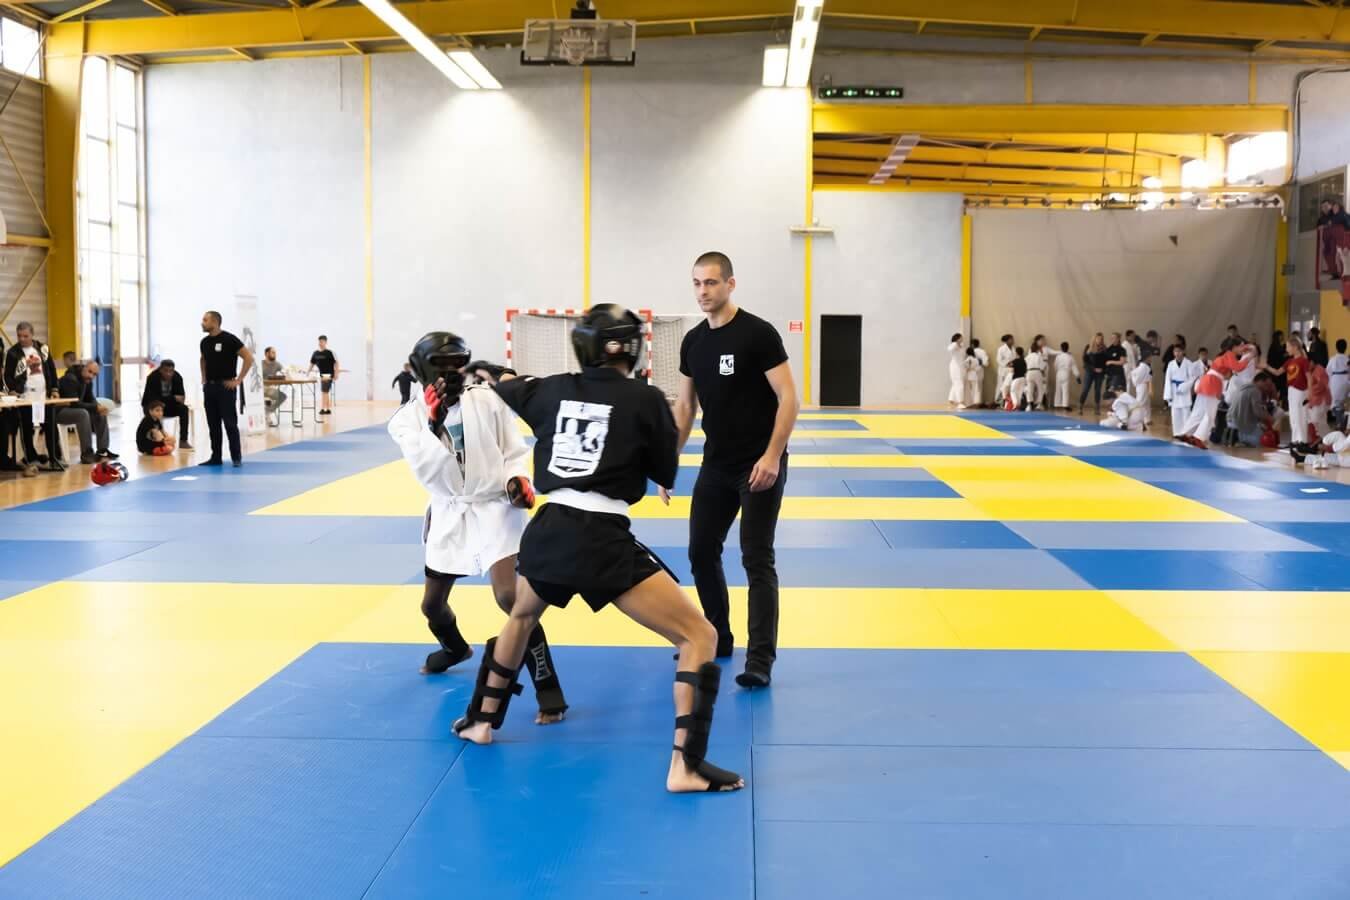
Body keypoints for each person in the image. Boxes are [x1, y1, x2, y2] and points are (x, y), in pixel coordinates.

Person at [454, 304, 744, 794]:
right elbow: (664, 471)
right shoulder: (646, 398)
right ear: (632, 348)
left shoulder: (548, 388)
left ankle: (481, 722)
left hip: (546, 532)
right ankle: (687, 767)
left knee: (522, 616)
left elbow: (502, 380)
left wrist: (475, 370)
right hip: (602, 538)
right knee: (700, 636)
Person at [388, 331, 567, 722]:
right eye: (442, 366)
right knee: (431, 605)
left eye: (457, 365)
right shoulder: (406, 419)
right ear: (422, 369)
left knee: (510, 598)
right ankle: (456, 649)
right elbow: (426, 470)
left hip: (494, 508)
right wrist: (434, 423)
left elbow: (514, 452)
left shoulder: (488, 400)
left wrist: (516, 480)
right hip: (451, 512)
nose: (451, 374)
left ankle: (547, 685)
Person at [670, 251, 799, 690]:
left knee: (756, 558)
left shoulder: (758, 334)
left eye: (711, 283)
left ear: (730, 284)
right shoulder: (693, 342)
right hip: (716, 465)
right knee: (700, 551)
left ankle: (760, 658)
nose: (703, 292)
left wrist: (772, 457)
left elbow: (789, 399)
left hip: (758, 464)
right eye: (697, 284)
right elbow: (686, 406)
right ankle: (718, 636)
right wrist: (669, 461)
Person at [199, 310, 254, 468]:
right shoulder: (204, 342)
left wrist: (238, 380)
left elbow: (248, 358)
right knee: (213, 424)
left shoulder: (229, 339)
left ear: (215, 322)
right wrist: (203, 378)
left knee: (230, 424)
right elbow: (203, 360)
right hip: (210, 387)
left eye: (205, 320)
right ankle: (215, 456)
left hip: (226, 387)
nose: (202, 323)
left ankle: (236, 457)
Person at [1176, 343, 1255, 449]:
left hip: (1206, 381)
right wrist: (1249, 357)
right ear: (1234, 347)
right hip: (1213, 383)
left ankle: (1185, 433)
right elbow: (1238, 367)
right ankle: (1199, 437)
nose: (1242, 350)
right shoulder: (1229, 354)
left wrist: (1246, 349)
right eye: (1240, 347)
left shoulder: (1224, 357)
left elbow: (1232, 370)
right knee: (1210, 413)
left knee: (1198, 412)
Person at [4, 322, 59, 465]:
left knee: (49, 426)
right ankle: (31, 457)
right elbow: (8, 375)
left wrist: (54, 389)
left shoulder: (43, 349)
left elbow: (52, 370)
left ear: (32, 334)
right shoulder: (12, 353)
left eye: (25, 336)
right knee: (27, 428)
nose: (22, 339)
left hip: (43, 395)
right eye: (19, 336)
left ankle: (55, 457)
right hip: (25, 396)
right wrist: (13, 389)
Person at [57, 360, 114, 463]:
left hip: (74, 410)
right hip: (59, 412)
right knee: (83, 414)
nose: (91, 376)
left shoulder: (87, 381)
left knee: (100, 413)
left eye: (95, 374)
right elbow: (74, 404)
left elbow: (90, 399)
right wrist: (95, 407)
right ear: (84, 368)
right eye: (90, 372)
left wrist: (99, 407)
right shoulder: (70, 379)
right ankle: (87, 453)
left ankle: (102, 450)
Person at [140, 359, 192, 449]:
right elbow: (153, 399)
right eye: (166, 371)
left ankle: (183, 441)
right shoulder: (153, 378)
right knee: (155, 410)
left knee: (184, 409)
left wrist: (169, 400)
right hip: (152, 406)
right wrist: (173, 398)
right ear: (160, 370)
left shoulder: (177, 377)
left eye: (171, 371)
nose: (168, 374)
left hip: (168, 407)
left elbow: (181, 398)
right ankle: (153, 441)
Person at [1229, 373, 1279, 448]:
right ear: (1260, 381)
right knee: (1263, 441)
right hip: (1240, 424)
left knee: (1261, 429)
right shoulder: (1255, 391)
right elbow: (1258, 411)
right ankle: (1240, 438)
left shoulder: (1243, 387)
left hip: (1231, 421)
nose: (1267, 388)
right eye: (1266, 385)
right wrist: (1270, 418)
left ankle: (1240, 437)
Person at [1163, 345, 1199, 437]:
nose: (1177, 353)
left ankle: (1186, 432)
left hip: (1184, 390)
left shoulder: (1188, 363)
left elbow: (1193, 377)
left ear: (1183, 352)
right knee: (1175, 412)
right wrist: (1168, 394)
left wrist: (1184, 386)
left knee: (1186, 411)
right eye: (1175, 351)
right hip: (1174, 390)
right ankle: (1177, 432)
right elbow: (1167, 379)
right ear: (1173, 353)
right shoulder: (1171, 364)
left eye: (1179, 351)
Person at [1284, 337, 1313, 448]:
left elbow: (1309, 377)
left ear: (1295, 347)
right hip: (1291, 390)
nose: (1287, 349)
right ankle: (1295, 439)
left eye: (1288, 347)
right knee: (1293, 415)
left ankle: (1302, 440)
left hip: (1300, 391)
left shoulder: (1303, 361)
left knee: (1300, 414)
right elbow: (1277, 372)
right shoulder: (1289, 361)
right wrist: (1265, 366)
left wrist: (1310, 393)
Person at [308, 335, 338, 415]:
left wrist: (336, 374)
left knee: (324, 391)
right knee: (325, 392)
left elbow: (336, 363)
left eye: (322, 342)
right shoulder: (315, 353)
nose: (320, 343)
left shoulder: (330, 353)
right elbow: (312, 363)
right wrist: (308, 372)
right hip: (321, 375)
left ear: (326, 342)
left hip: (328, 374)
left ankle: (323, 409)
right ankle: (327, 409)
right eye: (319, 341)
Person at [1080, 334, 1108, 415]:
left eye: (1101, 339)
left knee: (1098, 390)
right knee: (1085, 389)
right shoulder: (1088, 347)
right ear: (1094, 339)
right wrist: (1093, 369)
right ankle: (1081, 406)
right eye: (1098, 339)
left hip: (1100, 372)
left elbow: (1106, 361)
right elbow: (1085, 361)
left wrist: (1103, 369)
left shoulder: (1104, 349)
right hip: (1090, 371)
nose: (1099, 340)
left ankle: (1097, 408)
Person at [1053, 341, 1080, 409]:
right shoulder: (1070, 357)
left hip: (1059, 373)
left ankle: (1057, 404)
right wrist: (1077, 376)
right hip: (1066, 373)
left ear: (1061, 348)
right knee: (1065, 390)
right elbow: (1074, 367)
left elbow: (1055, 365)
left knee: (1058, 390)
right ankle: (1065, 405)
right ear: (1068, 348)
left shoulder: (1058, 356)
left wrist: (1057, 371)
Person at [1025, 338, 1046, 410]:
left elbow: (1025, 365)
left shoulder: (1027, 356)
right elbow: (1042, 366)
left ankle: (1029, 405)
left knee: (1029, 389)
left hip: (1029, 372)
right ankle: (1039, 404)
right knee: (1040, 388)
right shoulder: (1038, 356)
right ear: (1038, 349)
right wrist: (1043, 374)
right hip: (1037, 372)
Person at [966, 339, 988, 408]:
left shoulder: (970, 354)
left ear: (972, 345)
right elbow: (986, 363)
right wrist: (979, 363)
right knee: (978, 388)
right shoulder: (982, 351)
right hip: (978, 371)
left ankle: (973, 403)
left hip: (972, 372)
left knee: (972, 389)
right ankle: (977, 403)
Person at [946, 333, 966, 409]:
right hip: (955, 367)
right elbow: (949, 349)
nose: (962, 339)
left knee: (955, 384)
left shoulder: (962, 346)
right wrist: (955, 344)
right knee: (959, 384)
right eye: (961, 337)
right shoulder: (954, 345)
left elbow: (962, 357)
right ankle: (960, 402)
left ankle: (951, 400)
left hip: (961, 366)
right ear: (957, 338)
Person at [996, 334, 1015, 407]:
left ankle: (1008, 402)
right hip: (1003, 369)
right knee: (1001, 385)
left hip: (1011, 370)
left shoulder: (1013, 348)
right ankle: (999, 402)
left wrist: (1013, 364)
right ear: (1007, 340)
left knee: (1009, 386)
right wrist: (1007, 364)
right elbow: (998, 360)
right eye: (1011, 339)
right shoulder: (1001, 349)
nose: (1013, 341)